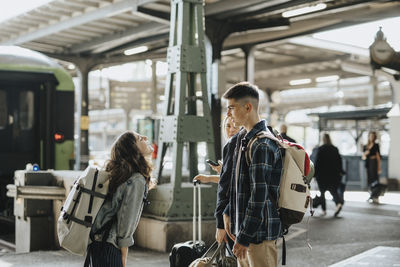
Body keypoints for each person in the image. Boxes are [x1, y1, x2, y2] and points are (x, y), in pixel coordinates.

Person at [222, 82, 284, 267]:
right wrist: (228, 212)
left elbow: (259, 197)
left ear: (248, 107)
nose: (228, 114)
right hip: (246, 233)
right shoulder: (243, 139)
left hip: (259, 236)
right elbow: (240, 185)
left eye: (231, 108)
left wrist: (244, 237)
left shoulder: (262, 145)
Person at [84, 131, 154, 267]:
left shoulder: (120, 175)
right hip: (109, 246)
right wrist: (123, 254)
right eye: (140, 138)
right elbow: (126, 223)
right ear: (134, 149)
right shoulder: (136, 180)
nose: (145, 137)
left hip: (97, 243)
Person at [193, 116, 241, 249]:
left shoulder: (234, 146)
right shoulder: (237, 147)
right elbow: (232, 179)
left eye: (235, 126)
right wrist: (211, 177)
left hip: (234, 214)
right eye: (227, 126)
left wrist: (220, 223)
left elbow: (229, 186)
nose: (231, 130)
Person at [314, 133, 344, 217]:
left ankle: (324, 210)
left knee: (322, 192)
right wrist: (341, 171)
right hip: (333, 175)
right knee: (333, 191)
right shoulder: (335, 149)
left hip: (322, 175)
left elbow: (317, 163)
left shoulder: (320, 149)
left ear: (322, 140)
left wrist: (314, 174)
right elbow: (339, 161)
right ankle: (338, 204)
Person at [362, 131, 381, 204]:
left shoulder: (376, 145)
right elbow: (363, 157)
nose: (372, 137)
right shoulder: (365, 146)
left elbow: (378, 157)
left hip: (374, 164)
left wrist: (379, 167)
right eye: (370, 136)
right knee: (369, 180)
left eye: (373, 136)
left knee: (375, 180)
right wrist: (365, 153)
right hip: (368, 164)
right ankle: (371, 195)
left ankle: (375, 196)